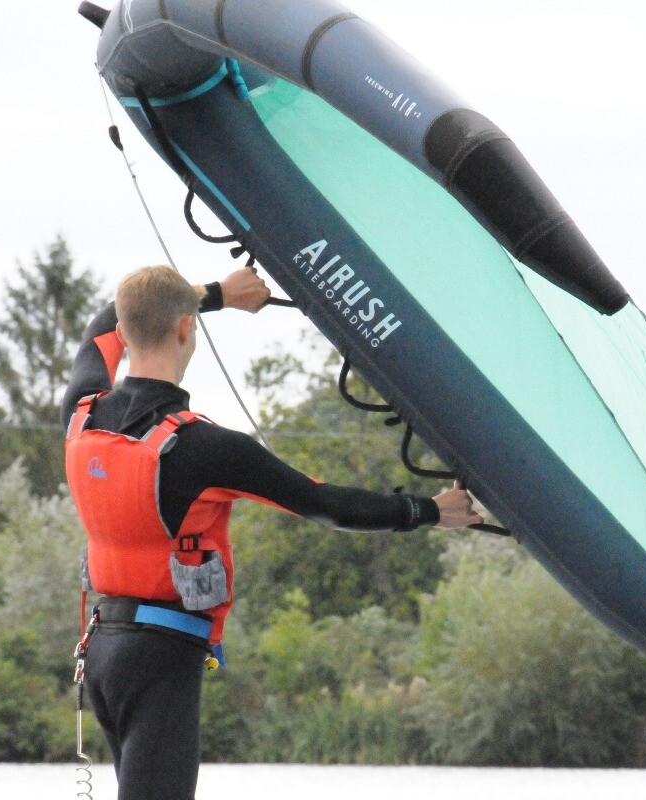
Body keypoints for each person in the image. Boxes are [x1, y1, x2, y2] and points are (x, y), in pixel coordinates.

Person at [62, 264, 482, 800]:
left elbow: (104, 320)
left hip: (102, 652)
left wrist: (214, 295)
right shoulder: (205, 450)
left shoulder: (81, 415)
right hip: (159, 656)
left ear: (125, 334)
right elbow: (327, 505)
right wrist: (430, 510)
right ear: (186, 329)